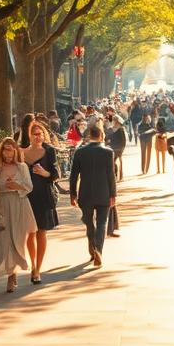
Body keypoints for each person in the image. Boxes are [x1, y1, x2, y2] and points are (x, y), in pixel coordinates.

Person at [0, 137, 38, 292]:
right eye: (5, 150)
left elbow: (29, 187)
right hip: (2, 205)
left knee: (18, 238)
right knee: (5, 240)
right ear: (1, 152)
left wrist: (16, 186)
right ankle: (11, 274)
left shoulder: (22, 167)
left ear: (16, 151)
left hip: (19, 203)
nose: (8, 154)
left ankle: (30, 268)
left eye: (10, 150)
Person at [69, 123, 117, 268]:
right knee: (102, 223)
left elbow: (73, 176)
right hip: (104, 192)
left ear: (89, 136)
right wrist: (113, 194)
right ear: (101, 136)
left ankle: (92, 248)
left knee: (89, 223)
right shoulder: (108, 152)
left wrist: (73, 194)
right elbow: (111, 175)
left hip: (86, 193)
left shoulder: (80, 152)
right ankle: (98, 251)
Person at [23, 124, 59, 284]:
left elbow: (56, 174)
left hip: (44, 196)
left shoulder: (49, 151)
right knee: (30, 233)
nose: (37, 136)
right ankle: (32, 265)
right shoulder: (22, 153)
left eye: (39, 134)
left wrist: (45, 173)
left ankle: (38, 268)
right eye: (34, 134)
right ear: (29, 135)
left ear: (43, 135)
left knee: (41, 232)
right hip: (27, 197)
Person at [106, 116, 127, 180]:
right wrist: (108, 143)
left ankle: (119, 174)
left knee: (116, 160)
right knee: (112, 161)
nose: (115, 122)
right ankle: (115, 173)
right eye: (114, 120)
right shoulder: (110, 129)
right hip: (112, 148)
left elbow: (124, 141)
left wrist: (122, 148)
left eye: (116, 120)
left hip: (119, 148)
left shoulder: (121, 129)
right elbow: (106, 139)